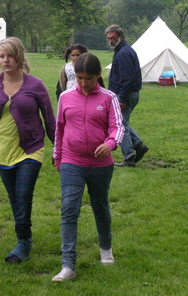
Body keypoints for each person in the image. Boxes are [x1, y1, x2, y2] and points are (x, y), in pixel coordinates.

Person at [0, 37, 56, 264]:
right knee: (14, 198)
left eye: (10, 55)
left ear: (19, 56)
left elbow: (49, 119)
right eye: (2, 56)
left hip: (31, 148)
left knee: (23, 195)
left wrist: (58, 149)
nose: (5, 60)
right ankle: (24, 235)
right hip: (3, 150)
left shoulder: (35, 85)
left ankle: (23, 242)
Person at [51, 53, 124, 282]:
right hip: (72, 160)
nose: (83, 83)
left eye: (89, 79)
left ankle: (106, 249)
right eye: (80, 78)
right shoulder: (65, 97)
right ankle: (68, 265)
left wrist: (110, 143)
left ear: (98, 76)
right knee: (69, 209)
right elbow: (59, 129)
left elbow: (118, 127)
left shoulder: (108, 97)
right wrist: (57, 157)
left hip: (101, 164)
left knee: (100, 206)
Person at [105, 24, 148, 167]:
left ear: (121, 37)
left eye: (113, 38)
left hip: (126, 95)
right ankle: (138, 145)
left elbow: (126, 78)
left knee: (120, 125)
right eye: (109, 38)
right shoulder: (123, 51)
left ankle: (129, 157)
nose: (111, 41)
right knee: (123, 123)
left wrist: (121, 98)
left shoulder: (123, 53)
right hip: (127, 94)